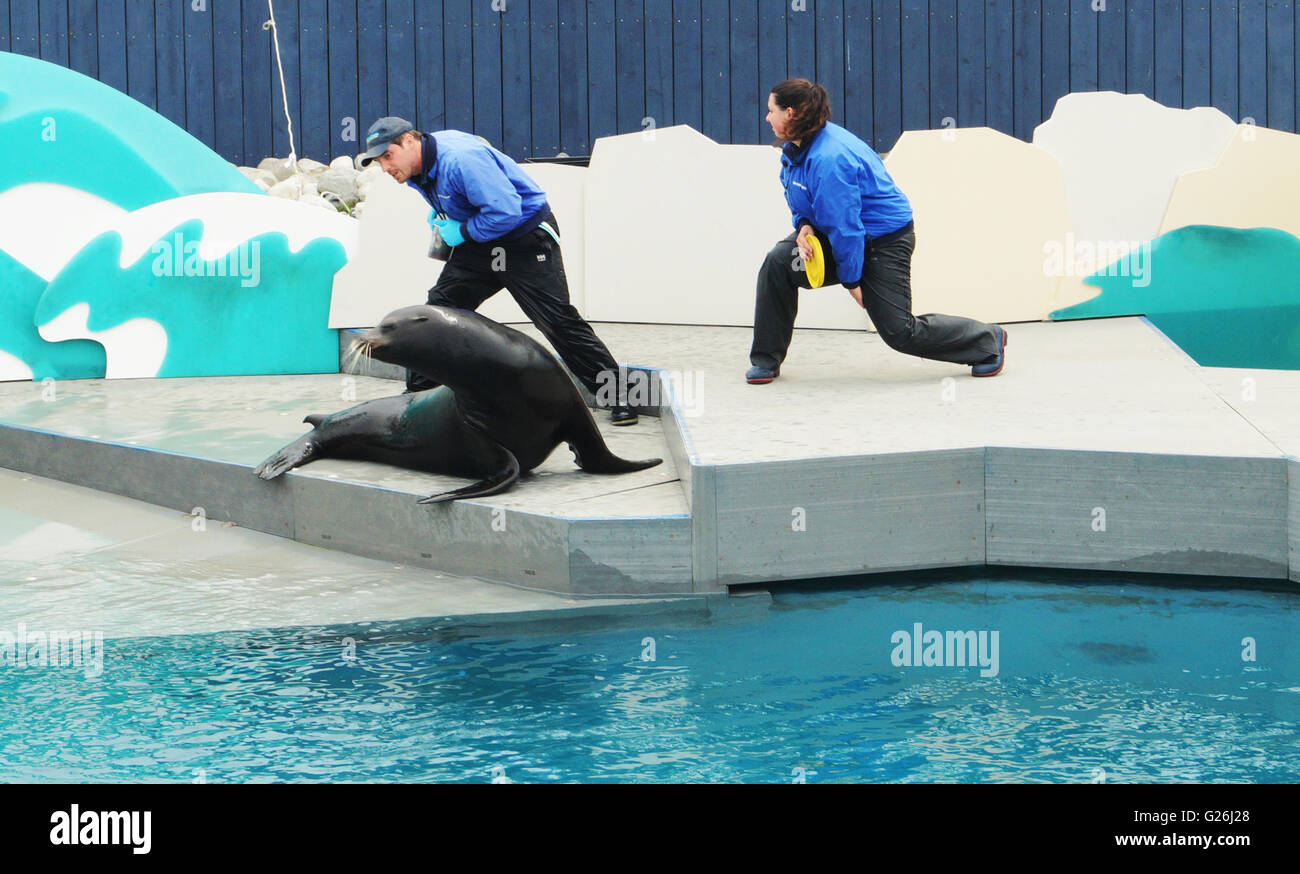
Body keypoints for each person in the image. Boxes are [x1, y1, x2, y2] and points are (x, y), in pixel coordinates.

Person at [359, 116, 638, 425]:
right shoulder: (420, 163)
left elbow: (507, 210)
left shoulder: (461, 160)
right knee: (435, 314)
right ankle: (417, 399)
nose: (384, 167)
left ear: (410, 141)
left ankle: (620, 395)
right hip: (481, 239)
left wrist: (462, 231)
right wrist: (447, 213)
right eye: (378, 161)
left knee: (558, 322)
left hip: (524, 238)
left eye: (388, 156)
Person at [747, 79, 1008, 385]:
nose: (767, 117)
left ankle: (987, 339)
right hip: (841, 234)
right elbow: (801, 197)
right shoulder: (796, 149)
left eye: (770, 110)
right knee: (778, 263)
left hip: (884, 241)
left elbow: (847, 230)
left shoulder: (829, 159)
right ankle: (766, 360)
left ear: (789, 113)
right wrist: (803, 227)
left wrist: (852, 281)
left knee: (900, 332)